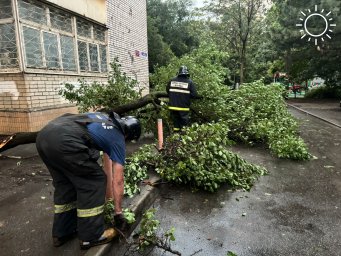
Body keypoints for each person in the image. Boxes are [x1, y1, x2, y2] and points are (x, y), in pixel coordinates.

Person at [36, 112, 141, 250]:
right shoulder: (117, 137)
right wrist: (118, 213)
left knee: (66, 185)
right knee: (94, 181)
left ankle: (62, 233)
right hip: (65, 141)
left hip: (44, 137)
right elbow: (118, 180)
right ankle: (90, 237)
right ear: (127, 135)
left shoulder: (102, 117)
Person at [166, 65, 200, 132]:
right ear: (187, 73)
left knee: (176, 122)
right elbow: (194, 95)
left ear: (179, 72)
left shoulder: (172, 80)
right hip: (183, 107)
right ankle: (183, 137)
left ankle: (176, 136)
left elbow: (168, 90)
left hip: (173, 106)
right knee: (184, 123)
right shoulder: (190, 82)